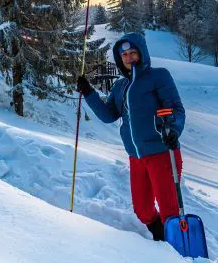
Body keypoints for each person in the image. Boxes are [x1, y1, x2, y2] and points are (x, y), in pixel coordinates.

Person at [77, 32, 185, 242]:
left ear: (142, 53)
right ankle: (160, 237)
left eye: (132, 52)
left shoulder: (158, 76)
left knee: (169, 211)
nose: (128, 57)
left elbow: (176, 109)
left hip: (162, 153)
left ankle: (174, 249)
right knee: (142, 210)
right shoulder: (120, 86)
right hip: (136, 157)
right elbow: (108, 115)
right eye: (124, 54)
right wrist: (89, 92)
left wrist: (174, 129)